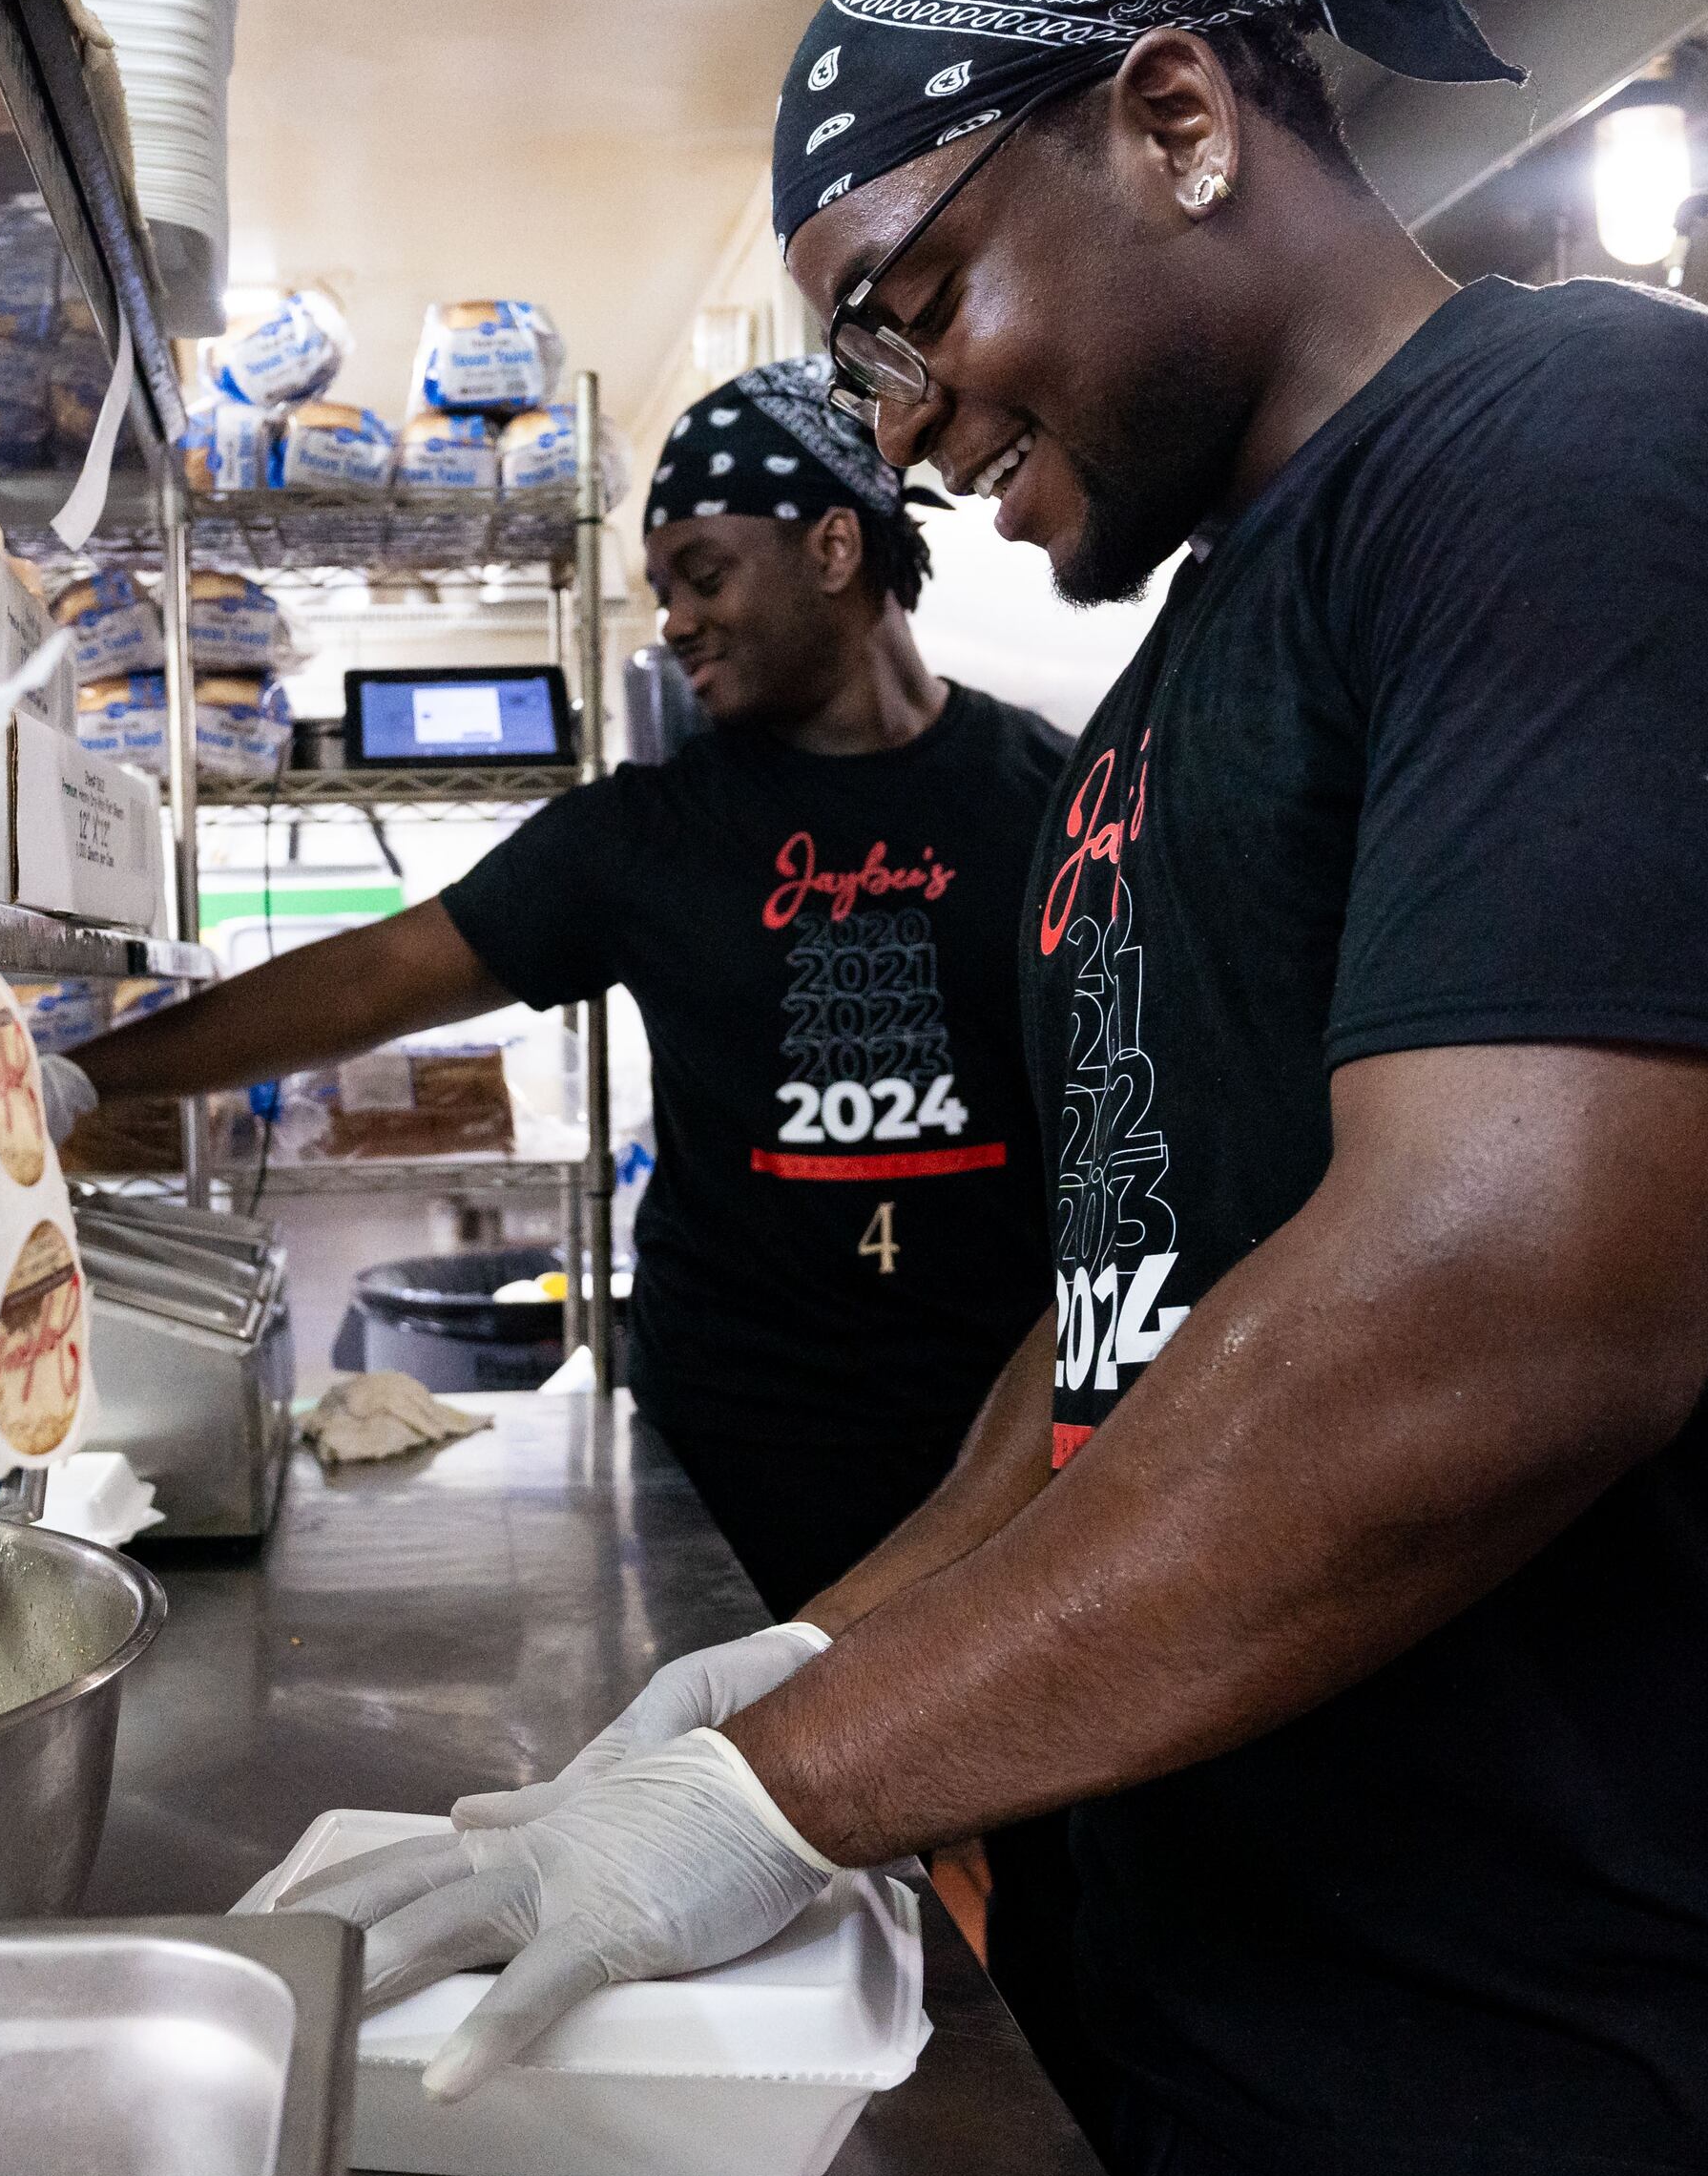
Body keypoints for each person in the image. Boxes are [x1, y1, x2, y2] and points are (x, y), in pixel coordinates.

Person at [281, 0, 1708, 2176]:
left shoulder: (1601, 456)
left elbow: (1496, 1313)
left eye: (917, 309)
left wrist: (787, 1783)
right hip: (1246, 2028)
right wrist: (829, 1652)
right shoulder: (1178, 680)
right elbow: (1130, 1301)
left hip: (1654, 2060)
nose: (907, 435)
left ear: (1172, 118)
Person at [66, 359, 1070, 1622]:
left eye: (705, 574)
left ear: (831, 547)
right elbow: (371, 978)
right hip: (733, 1455)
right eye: (664, 592)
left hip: (1006, 1442)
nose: (677, 622)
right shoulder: (646, 836)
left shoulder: (1052, 798)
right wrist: (75, 1078)